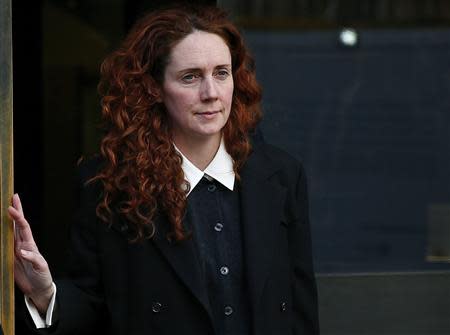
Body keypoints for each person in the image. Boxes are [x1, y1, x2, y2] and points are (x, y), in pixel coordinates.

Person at [10, 5, 319, 335]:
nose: (211, 93)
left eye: (221, 73)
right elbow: (93, 303)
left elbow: (299, 309)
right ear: (154, 88)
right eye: (190, 77)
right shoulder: (110, 184)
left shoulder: (281, 175)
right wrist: (44, 294)